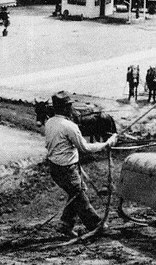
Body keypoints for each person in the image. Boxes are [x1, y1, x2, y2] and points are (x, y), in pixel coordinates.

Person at [45, 91, 117, 237]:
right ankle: (96, 225)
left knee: (76, 192)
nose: (72, 109)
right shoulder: (69, 126)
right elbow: (85, 148)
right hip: (67, 169)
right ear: (66, 108)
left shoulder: (49, 122)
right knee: (79, 195)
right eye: (70, 106)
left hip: (55, 167)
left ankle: (66, 224)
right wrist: (107, 143)